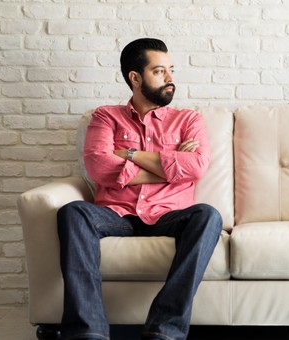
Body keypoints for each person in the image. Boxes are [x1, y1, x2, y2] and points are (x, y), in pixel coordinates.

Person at [56, 38, 222, 340]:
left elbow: (196, 167)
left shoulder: (189, 119)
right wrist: (171, 169)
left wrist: (129, 154)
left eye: (171, 70)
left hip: (169, 215)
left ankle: (165, 329)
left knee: (208, 216)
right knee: (73, 212)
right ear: (135, 77)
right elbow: (99, 168)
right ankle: (87, 332)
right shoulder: (106, 116)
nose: (170, 79)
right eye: (159, 71)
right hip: (115, 215)